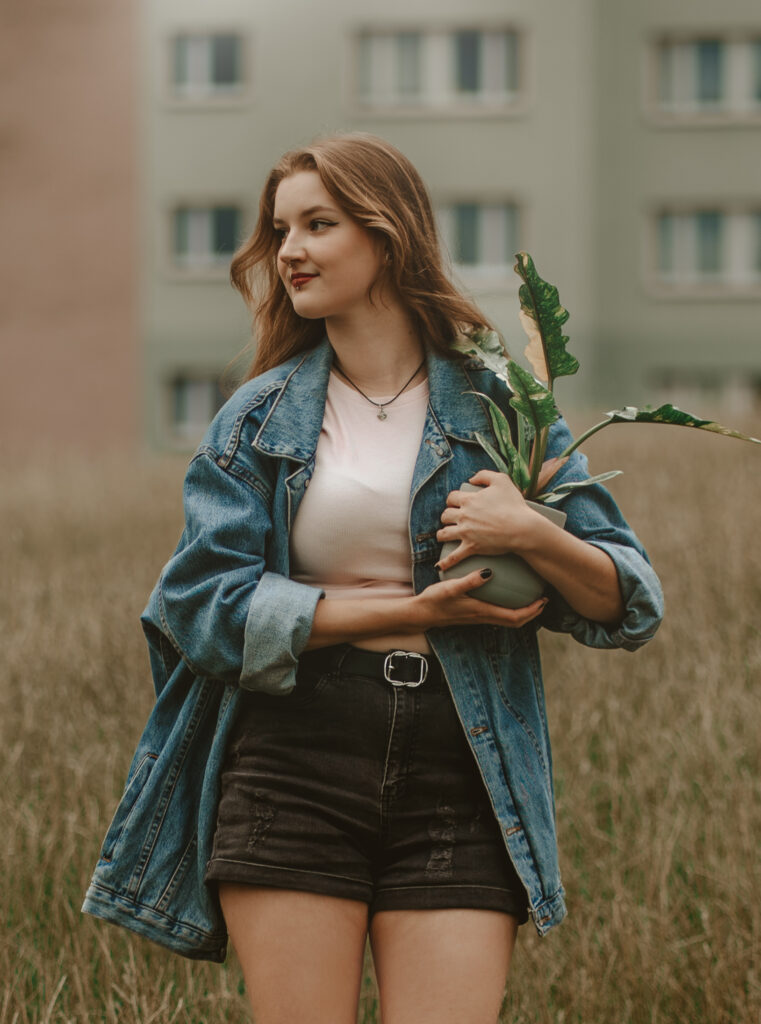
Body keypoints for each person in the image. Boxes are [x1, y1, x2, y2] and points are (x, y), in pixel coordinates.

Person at [82, 133, 663, 1023]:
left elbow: (626, 602)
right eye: (281, 230)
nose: (290, 252)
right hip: (294, 756)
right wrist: (402, 607)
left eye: (319, 224)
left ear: (387, 238)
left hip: (461, 768)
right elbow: (201, 608)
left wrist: (526, 533)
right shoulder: (260, 418)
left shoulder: (501, 404)